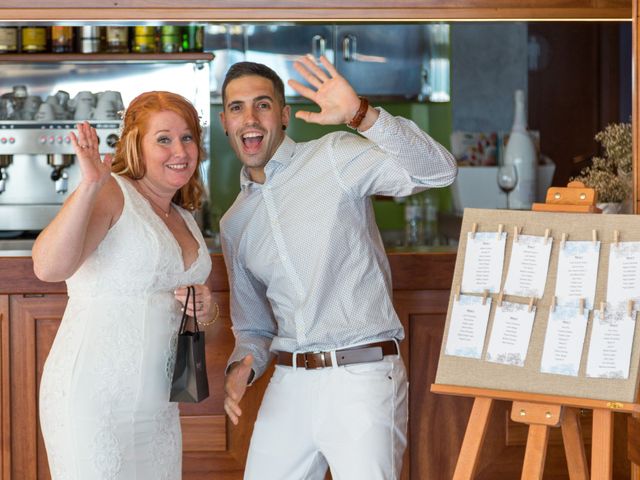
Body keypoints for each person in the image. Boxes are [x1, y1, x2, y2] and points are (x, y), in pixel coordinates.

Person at [219, 55, 457, 479]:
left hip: (361, 375)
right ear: (225, 122)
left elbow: (439, 172)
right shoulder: (234, 223)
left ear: (285, 115)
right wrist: (243, 366)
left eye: (263, 104)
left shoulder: (332, 157)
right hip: (289, 381)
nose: (250, 117)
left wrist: (361, 115)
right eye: (237, 107)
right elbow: (253, 328)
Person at [33, 91, 214, 480]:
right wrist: (89, 186)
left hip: (159, 408)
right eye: (163, 139)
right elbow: (48, 267)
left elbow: (182, 300)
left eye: (187, 137)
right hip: (94, 400)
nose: (179, 150)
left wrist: (205, 305)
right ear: (136, 144)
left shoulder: (184, 216)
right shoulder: (113, 193)